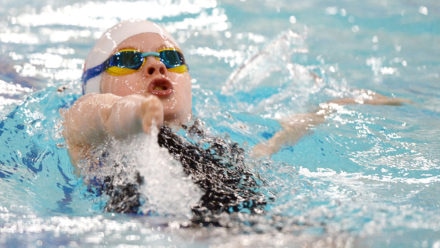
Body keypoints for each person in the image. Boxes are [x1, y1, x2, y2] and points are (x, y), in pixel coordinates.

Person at [62, 20, 406, 224]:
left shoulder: (209, 143)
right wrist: (130, 113)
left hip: (260, 225)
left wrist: (332, 106)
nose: (156, 66)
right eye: (127, 61)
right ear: (95, 83)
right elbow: (96, 115)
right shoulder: (90, 135)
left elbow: (266, 150)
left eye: (170, 58)